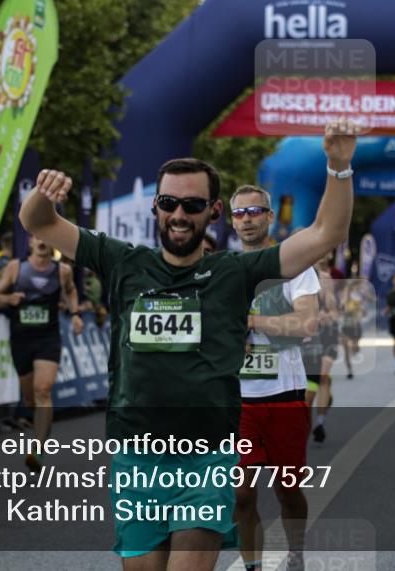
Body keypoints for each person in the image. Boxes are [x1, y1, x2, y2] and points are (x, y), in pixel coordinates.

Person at [18, 124, 356, 571]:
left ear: (213, 211)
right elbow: (38, 222)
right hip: (136, 457)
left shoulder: (235, 271)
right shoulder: (124, 262)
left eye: (192, 205)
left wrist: (338, 165)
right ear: (156, 207)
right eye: (168, 203)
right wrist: (44, 194)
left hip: (206, 457)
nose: (179, 214)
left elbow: (326, 233)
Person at [230, 185, 319, 571]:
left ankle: (296, 551)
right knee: (241, 495)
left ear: (269, 216)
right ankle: (253, 566)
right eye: (239, 213)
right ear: (232, 221)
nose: (247, 219)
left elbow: (306, 324)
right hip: (238, 401)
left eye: (255, 211)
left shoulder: (293, 265)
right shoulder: (223, 270)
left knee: (289, 491)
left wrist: (251, 321)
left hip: (285, 395)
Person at [0, 235, 83, 471]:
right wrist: (9, 298)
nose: (42, 241)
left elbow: (71, 291)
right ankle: (43, 425)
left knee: (43, 390)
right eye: (37, 237)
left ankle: (39, 449)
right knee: (30, 399)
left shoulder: (62, 271)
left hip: (48, 338)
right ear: (30, 243)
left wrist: (75, 314)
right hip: (21, 339)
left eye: (46, 237)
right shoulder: (16, 268)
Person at [306, 256, 339, 443]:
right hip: (304, 338)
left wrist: (324, 316)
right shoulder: (290, 276)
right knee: (309, 387)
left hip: (326, 335)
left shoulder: (324, 279)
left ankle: (319, 423)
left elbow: (333, 311)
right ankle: (322, 403)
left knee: (323, 376)